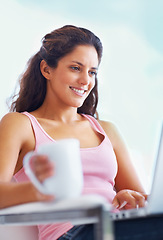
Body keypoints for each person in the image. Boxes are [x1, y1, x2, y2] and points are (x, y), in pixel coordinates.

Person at [0, 25, 152, 239]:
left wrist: (129, 198)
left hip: (114, 227)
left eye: (92, 72)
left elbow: (143, 202)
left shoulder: (106, 130)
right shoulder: (21, 124)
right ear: (46, 70)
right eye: (75, 68)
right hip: (71, 232)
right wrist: (39, 191)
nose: (85, 81)